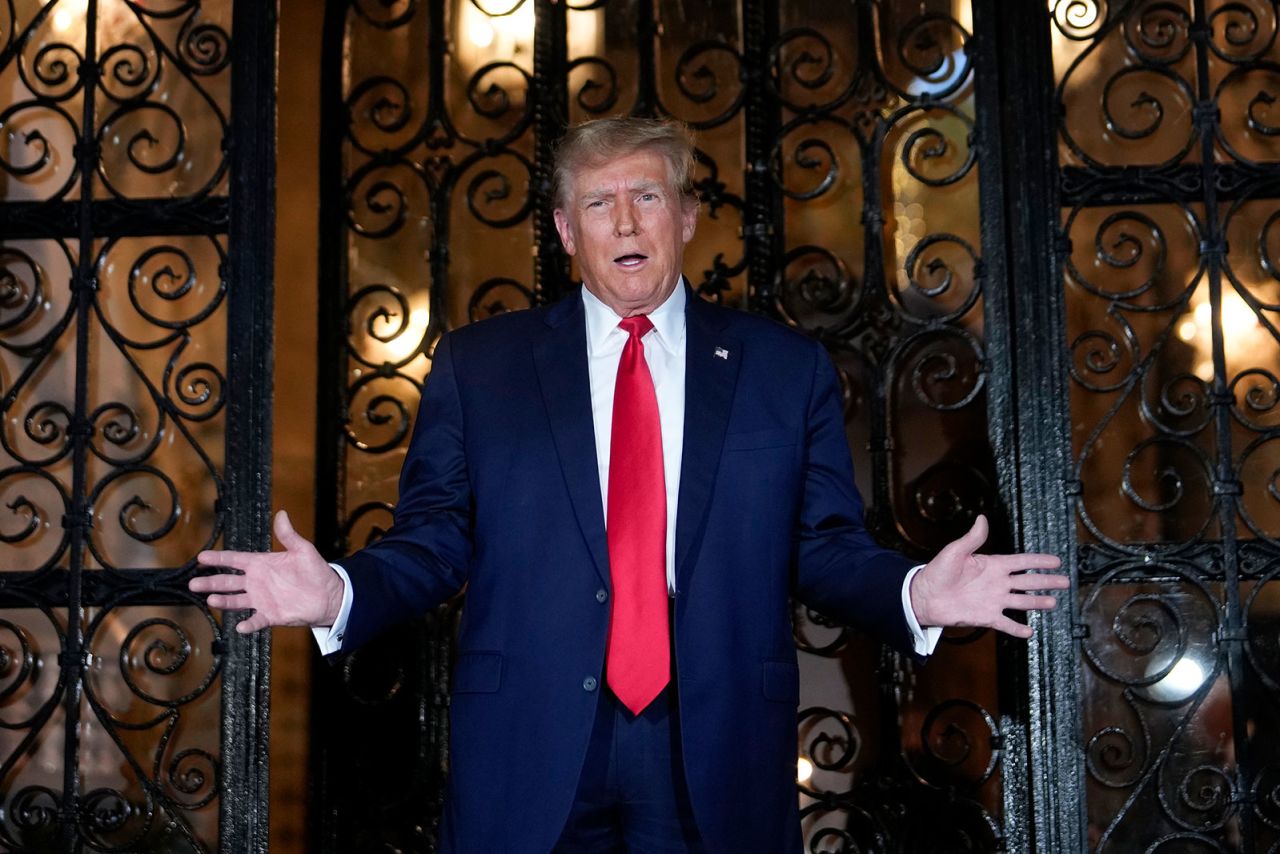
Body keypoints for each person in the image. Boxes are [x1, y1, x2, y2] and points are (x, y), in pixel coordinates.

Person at [190, 117, 1067, 853]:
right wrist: (338, 588)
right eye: (598, 203)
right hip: (530, 740)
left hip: (714, 740)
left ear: (685, 217)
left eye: (646, 196)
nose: (625, 221)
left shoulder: (780, 370)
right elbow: (434, 539)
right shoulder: (478, 368)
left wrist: (916, 590)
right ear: (568, 232)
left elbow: (822, 547)